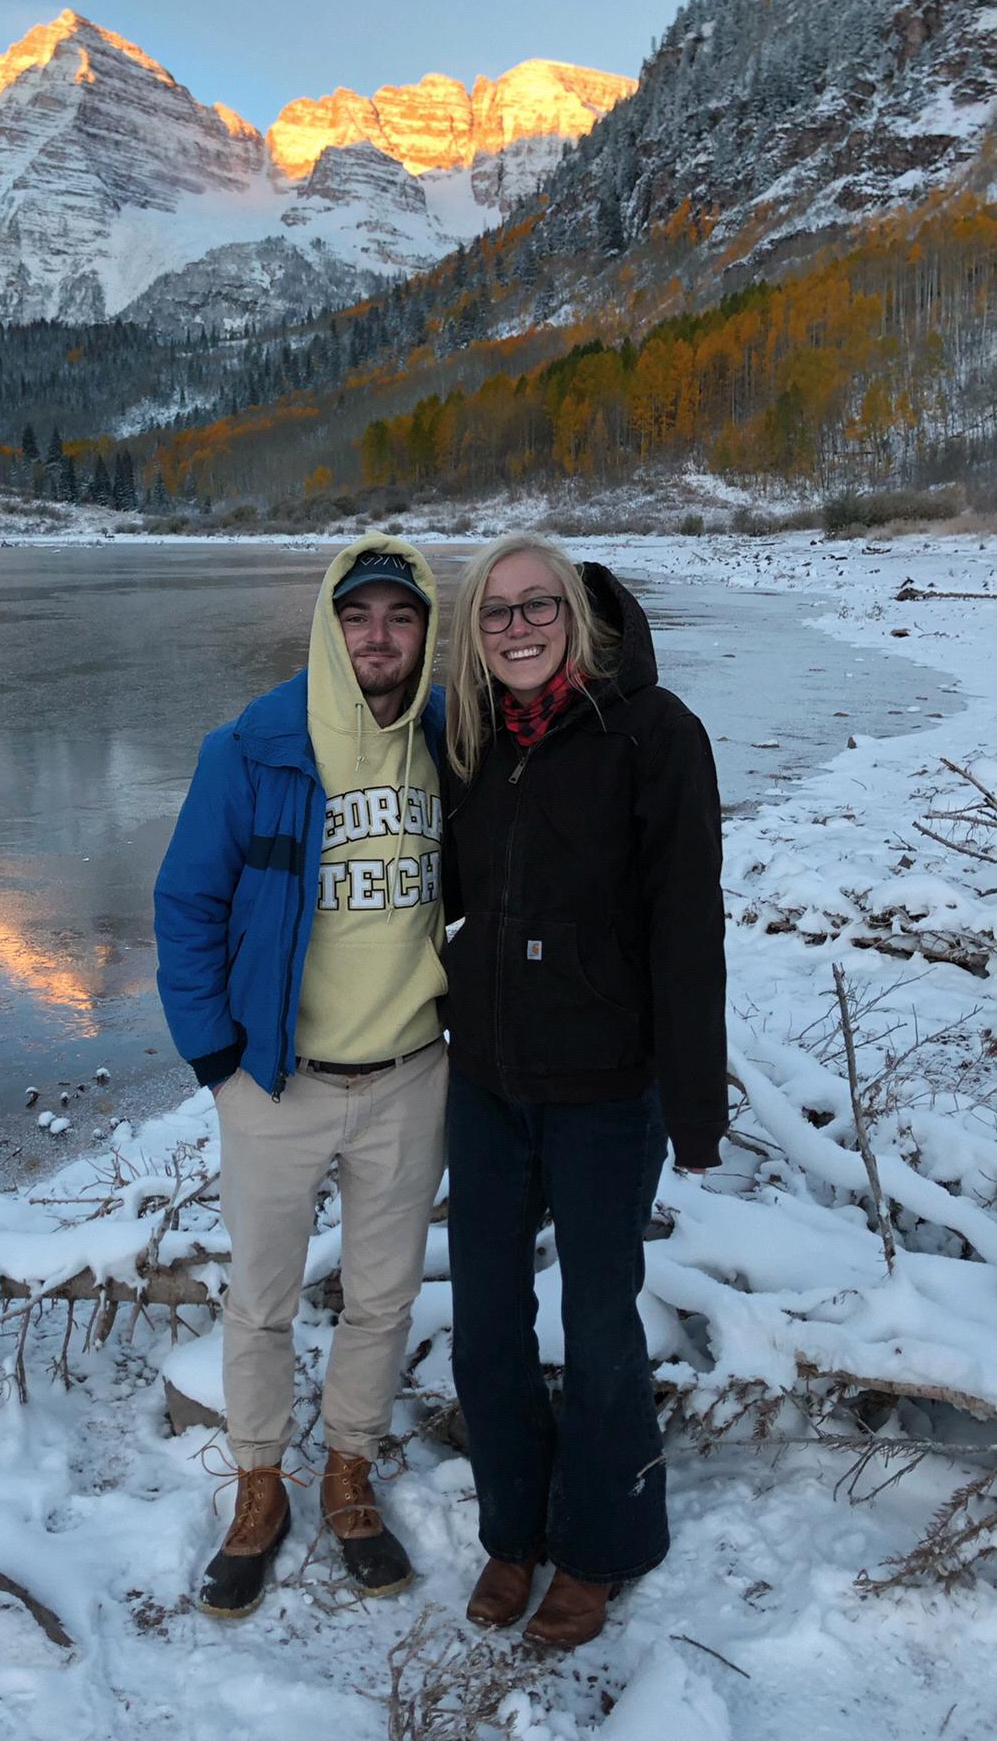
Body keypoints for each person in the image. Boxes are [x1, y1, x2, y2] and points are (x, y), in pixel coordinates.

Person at [154, 533, 449, 1619]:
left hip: (413, 1072)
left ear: (426, 631)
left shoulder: (444, 739)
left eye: (401, 616)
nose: (379, 635)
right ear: (329, 625)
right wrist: (218, 1057)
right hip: (280, 1080)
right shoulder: (255, 747)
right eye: (358, 615)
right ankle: (260, 1483)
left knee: (382, 1296)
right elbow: (184, 902)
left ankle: (350, 1472)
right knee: (263, 1298)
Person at [441, 532, 726, 1653]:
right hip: (487, 1077)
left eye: (537, 605)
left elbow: (686, 930)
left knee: (601, 1320)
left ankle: (605, 1541)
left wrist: (693, 1103)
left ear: (579, 614)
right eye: (497, 612)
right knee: (486, 1318)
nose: (517, 626)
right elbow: (447, 890)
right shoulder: (469, 740)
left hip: (607, 1085)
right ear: (476, 631)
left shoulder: (654, 733)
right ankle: (514, 1524)